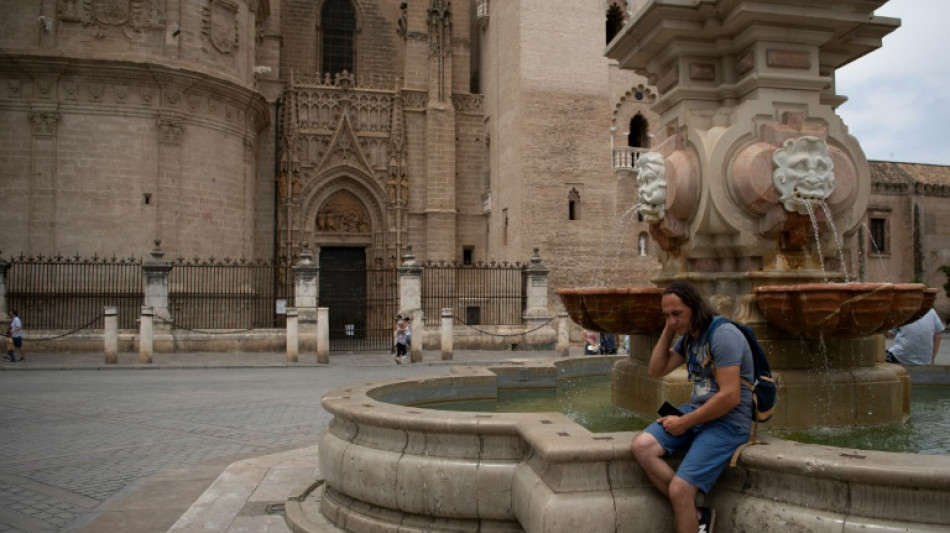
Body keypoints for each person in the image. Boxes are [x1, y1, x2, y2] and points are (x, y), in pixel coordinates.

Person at [630, 282, 754, 533]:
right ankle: (695, 513)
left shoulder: (722, 335)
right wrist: (668, 330)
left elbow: (730, 396)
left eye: (677, 314)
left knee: (680, 489)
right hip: (697, 413)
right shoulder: (690, 338)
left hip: (728, 421)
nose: (673, 320)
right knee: (642, 446)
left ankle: (685, 502)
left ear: (695, 308)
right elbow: (656, 370)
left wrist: (685, 422)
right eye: (667, 315)